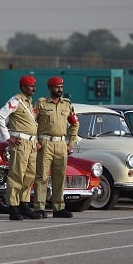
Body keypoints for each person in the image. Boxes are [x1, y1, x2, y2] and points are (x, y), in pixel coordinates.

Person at [0, 75, 42, 221]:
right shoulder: (16, 100)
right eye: (29, 86)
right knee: (17, 175)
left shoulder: (28, 103)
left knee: (29, 175)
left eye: (34, 86)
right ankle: (13, 208)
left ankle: (24, 205)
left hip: (31, 143)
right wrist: (8, 137)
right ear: (22, 87)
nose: (33, 88)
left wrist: (36, 140)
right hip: (20, 143)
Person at [33, 77, 79, 218]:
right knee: (42, 176)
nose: (59, 90)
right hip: (45, 143)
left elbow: (75, 123)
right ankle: (39, 207)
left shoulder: (67, 105)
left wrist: (70, 143)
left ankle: (59, 208)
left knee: (60, 177)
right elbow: (31, 123)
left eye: (61, 87)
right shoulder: (41, 104)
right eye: (56, 87)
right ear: (50, 88)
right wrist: (35, 140)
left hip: (61, 144)